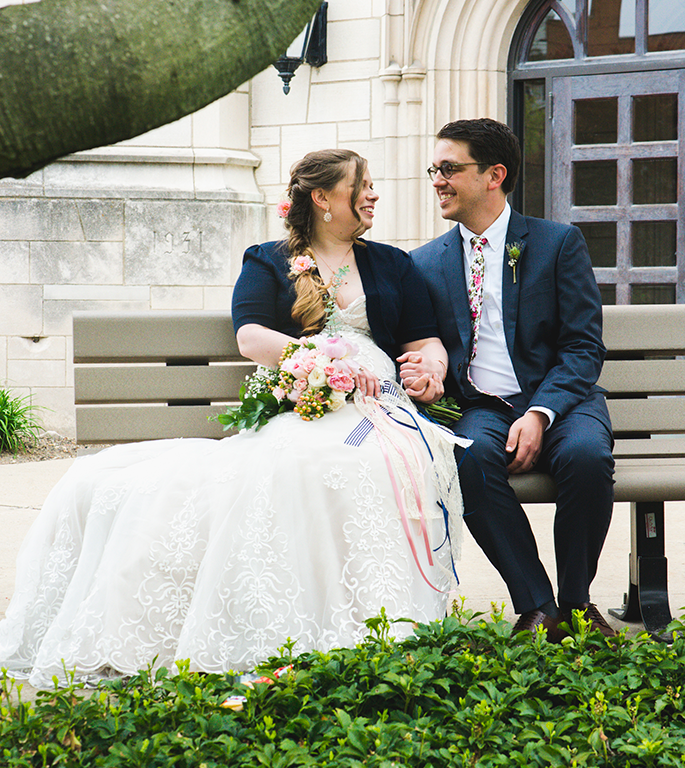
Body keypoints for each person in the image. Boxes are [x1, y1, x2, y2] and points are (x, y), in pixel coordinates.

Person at [0, 149, 467, 687]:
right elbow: (250, 336)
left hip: (381, 408)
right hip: (304, 396)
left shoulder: (392, 264)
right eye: (361, 184)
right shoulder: (268, 259)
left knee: (365, 461)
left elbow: (424, 339)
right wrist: (320, 364)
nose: (373, 194)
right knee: (299, 459)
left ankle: (378, 619)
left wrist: (430, 369)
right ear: (322, 199)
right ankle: (299, 621)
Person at [411, 118, 615, 640]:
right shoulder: (425, 263)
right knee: (467, 456)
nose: (437, 179)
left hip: (561, 400)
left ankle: (575, 603)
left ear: (494, 175)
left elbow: (582, 347)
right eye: (435, 168)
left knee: (586, 458)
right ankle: (537, 605)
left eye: (450, 168)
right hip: (479, 407)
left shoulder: (556, 243)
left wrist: (539, 412)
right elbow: (421, 342)